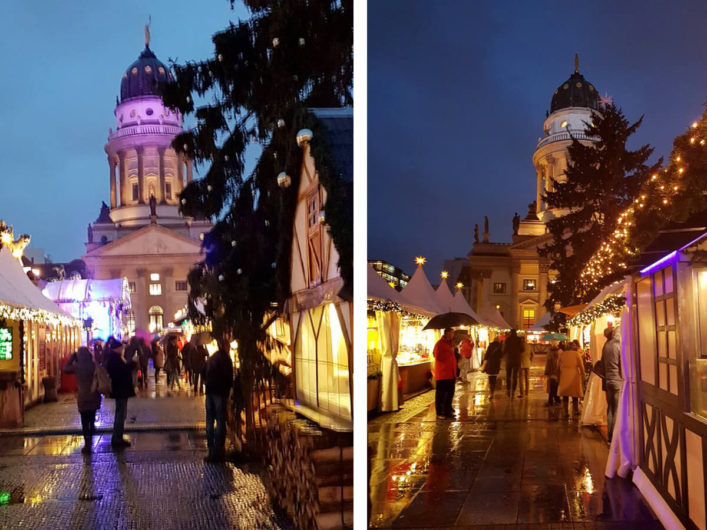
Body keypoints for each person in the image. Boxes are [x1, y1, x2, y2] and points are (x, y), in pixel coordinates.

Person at [63, 347, 101, 454]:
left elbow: (65, 368)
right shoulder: (93, 365)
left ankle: (87, 444)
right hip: (94, 395)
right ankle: (91, 436)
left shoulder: (77, 366)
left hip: (83, 396)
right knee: (91, 419)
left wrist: (72, 357)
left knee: (84, 422)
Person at [204, 344, 234, 462]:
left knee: (209, 420)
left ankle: (211, 449)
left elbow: (203, 369)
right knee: (220, 420)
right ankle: (219, 449)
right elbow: (229, 377)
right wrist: (228, 391)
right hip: (219, 392)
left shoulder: (212, 357)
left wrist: (207, 383)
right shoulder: (226, 359)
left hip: (209, 391)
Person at [104, 339, 135, 448]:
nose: (122, 349)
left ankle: (118, 437)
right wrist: (130, 365)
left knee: (121, 413)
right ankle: (117, 439)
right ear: (117, 348)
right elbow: (120, 372)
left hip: (121, 389)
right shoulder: (114, 359)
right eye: (121, 347)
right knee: (120, 414)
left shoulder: (115, 358)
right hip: (120, 389)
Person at [602, 327, 623, 442]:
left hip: (608, 380)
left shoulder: (606, 346)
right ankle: (614, 436)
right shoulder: (618, 345)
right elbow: (622, 364)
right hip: (617, 380)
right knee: (617, 409)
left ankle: (609, 437)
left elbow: (602, 364)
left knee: (610, 408)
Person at [433, 328, 457, 419]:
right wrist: (450, 352)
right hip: (443, 374)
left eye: (453, 333)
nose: (452, 335)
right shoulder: (440, 344)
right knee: (441, 394)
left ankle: (447, 411)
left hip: (451, 373)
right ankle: (439, 412)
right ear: (446, 333)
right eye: (451, 333)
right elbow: (437, 356)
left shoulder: (450, 343)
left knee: (450, 393)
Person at [557, 341, 585, 416]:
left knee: (565, 395)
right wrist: (583, 376)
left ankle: (565, 411)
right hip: (574, 376)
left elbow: (558, 366)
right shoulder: (577, 354)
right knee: (574, 394)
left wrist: (558, 376)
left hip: (564, 376)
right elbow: (581, 367)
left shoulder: (562, 354)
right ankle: (575, 410)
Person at [503, 329, 523, 398]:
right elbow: (522, 349)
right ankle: (513, 390)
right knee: (515, 376)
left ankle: (508, 389)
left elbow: (504, 350)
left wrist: (502, 355)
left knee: (508, 376)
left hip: (509, 360)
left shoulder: (508, 339)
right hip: (516, 360)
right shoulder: (518, 339)